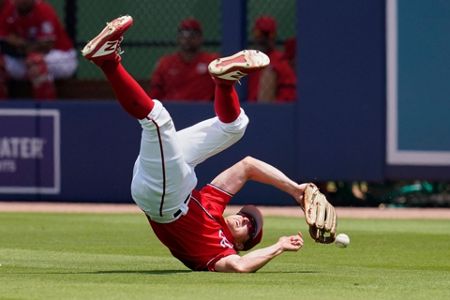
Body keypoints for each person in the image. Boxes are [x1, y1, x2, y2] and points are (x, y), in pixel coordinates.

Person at [81, 15, 336, 273]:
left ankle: (108, 61)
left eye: (250, 227)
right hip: (174, 181)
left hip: (164, 201)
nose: (244, 220)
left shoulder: (220, 248)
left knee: (157, 118)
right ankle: (224, 83)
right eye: (247, 216)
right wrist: (297, 191)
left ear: (242, 244)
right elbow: (247, 166)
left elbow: (240, 266)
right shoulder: (213, 207)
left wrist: (279, 246)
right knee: (235, 126)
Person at [0, 0, 77, 100]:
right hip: (24, 59)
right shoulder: (9, 9)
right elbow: (4, 38)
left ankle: (46, 110)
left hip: (60, 57)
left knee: (36, 62)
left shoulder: (43, 9)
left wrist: (19, 44)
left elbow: (46, 46)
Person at [149, 18, 219, 101]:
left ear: (200, 38)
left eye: (193, 35)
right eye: (183, 35)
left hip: (205, 111)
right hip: (172, 111)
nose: (187, 39)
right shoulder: (165, 63)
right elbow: (155, 92)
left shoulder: (212, 62)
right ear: (178, 38)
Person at [248, 16, 296, 102]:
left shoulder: (281, 61)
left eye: (269, 35)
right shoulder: (245, 59)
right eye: (259, 33)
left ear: (274, 36)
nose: (263, 39)